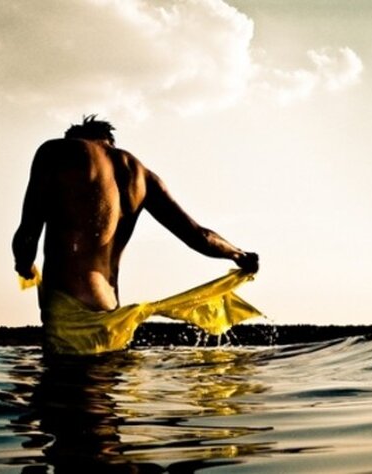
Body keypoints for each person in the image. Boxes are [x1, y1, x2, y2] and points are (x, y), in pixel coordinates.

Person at [13, 116, 259, 353]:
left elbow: (28, 233)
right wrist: (239, 254)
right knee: (105, 391)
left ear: (75, 137)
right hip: (115, 316)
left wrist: (23, 264)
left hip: (70, 310)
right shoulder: (142, 175)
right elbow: (199, 236)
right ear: (109, 141)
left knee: (61, 392)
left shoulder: (58, 151)